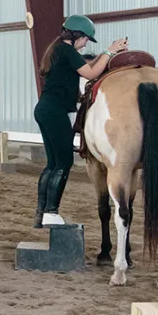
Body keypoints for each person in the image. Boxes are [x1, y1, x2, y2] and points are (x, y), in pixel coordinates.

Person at [34, 15, 128, 227]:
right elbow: (92, 72)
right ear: (77, 35)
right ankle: (51, 212)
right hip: (55, 112)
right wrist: (109, 51)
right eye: (86, 39)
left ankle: (42, 213)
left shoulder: (60, 50)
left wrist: (105, 54)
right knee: (64, 163)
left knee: (52, 164)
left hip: (45, 109)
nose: (86, 43)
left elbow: (88, 66)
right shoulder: (67, 51)